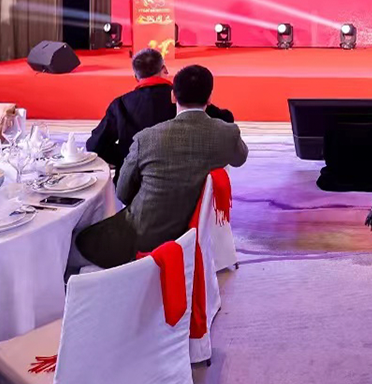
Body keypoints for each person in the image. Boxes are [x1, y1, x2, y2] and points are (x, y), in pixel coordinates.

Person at [76, 64, 248, 268]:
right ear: (209, 98)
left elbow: (122, 193)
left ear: (173, 96)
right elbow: (240, 158)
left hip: (143, 236)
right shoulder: (227, 133)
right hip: (194, 233)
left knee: (78, 238)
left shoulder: (147, 139)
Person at [86, 48, 235, 181]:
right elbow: (226, 121)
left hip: (134, 184)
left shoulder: (120, 104)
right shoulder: (183, 97)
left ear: (136, 76)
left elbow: (95, 145)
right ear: (164, 69)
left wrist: (126, 154)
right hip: (184, 181)